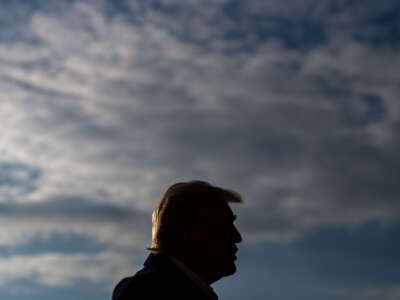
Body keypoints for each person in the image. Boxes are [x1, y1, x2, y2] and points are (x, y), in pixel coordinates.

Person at [112, 180, 243, 300]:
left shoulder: (150, 288)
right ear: (186, 232)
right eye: (224, 226)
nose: (237, 237)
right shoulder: (148, 291)